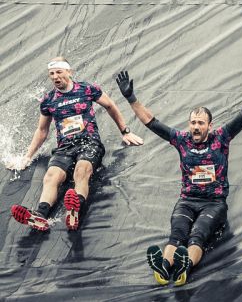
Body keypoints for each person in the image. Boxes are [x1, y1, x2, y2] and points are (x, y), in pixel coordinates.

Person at [115, 59, 242, 287]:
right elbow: (151, 122)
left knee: (198, 234)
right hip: (187, 200)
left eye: (200, 123)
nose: (196, 127)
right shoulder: (181, 140)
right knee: (177, 234)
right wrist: (131, 98)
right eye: (193, 123)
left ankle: (184, 267)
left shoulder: (222, 137)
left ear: (209, 125)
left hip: (214, 203)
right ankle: (163, 267)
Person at [8, 58, 143, 232]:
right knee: (51, 176)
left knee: (81, 170)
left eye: (59, 72)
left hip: (89, 143)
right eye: (51, 74)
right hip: (65, 148)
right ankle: (40, 215)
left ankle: (75, 209)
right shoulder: (49, 100)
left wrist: (126, 131)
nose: (55, 77)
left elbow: (110, 105)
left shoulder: (86, 89)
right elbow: (42, 130)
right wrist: (27, 157)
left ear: (69, 72)